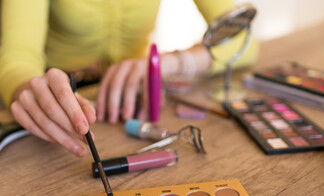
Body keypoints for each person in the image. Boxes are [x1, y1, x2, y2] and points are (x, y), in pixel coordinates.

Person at [0, 0, 259, 157]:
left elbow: (244, 41)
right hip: (62, 108)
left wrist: (168, 63)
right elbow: (17, 55)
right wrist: (29, 89)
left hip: (136, 101)